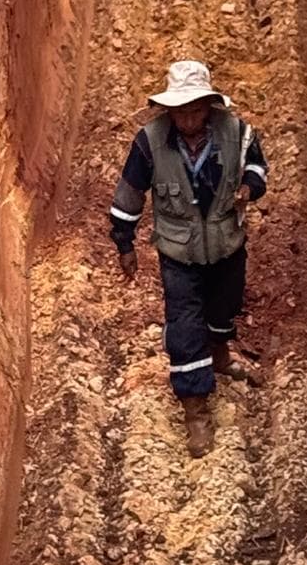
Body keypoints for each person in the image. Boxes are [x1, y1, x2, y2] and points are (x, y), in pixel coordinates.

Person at [110, 60, 268, 459]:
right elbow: (129, 194)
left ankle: (220, 355)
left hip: (226, 245)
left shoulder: (236, 132)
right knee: (184, 323)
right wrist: (124, 243)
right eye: (180, 112)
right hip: (178, 252)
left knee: (224, 306)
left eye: (195, 111)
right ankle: (195, 408)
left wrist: (249, 188)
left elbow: (257, 166)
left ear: (209, 107)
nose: (188, 120)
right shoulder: (149, 142)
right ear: (169, 110)